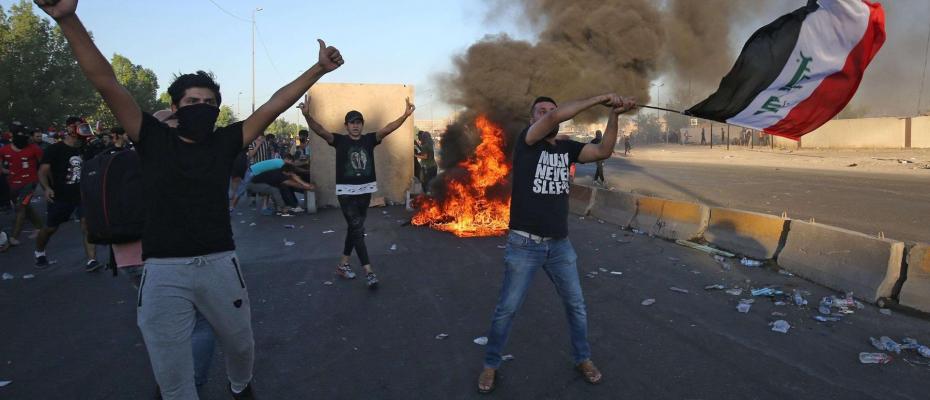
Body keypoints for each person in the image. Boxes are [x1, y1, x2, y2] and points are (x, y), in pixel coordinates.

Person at [34, 1, 344, 398]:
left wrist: (318, 69)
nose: (202, 108)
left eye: (209, 102)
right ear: (175, 107)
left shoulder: (224, 141)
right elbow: (106, 81)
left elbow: (274, 104)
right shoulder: (150, 137)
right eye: (192, 102)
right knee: (170, 367)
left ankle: (238, 386)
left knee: (242, 347)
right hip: (163, 270)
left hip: (219, 263)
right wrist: (67, 18)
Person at [476, 94, 635, 394]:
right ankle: (491, 363)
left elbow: (603, 150)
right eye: (542, 111)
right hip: (524, 245)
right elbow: (554, 120)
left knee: (576, 306)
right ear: (533, 119)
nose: (549, 114)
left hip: (560, 246)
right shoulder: (527, 142)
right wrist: (601, 96)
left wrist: (614, 115)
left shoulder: (566, 148)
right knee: (507, 309)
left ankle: (583, 358)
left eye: (552, 110)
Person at [300, 94, 415, 288]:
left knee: (355, 229)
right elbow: (319, 130)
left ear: (362, 125)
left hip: (365, 190)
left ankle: (343, 265)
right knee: (357, 230)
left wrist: (404, 115)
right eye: (352, 123)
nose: (355, 126)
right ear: (346, 126)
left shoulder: (370, 139)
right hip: (346, 192)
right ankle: (369, 271)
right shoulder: (339, 141)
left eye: (358, 122)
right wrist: (307, 116)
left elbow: (388, 128)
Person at [34, 116, 99, 271]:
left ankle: (92, 260)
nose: (83, 129)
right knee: (50, 228)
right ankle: (39, 251)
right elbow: (42, 172)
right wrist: (47, 188)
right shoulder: (55, 149)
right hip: (61, 196)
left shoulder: (85, 148)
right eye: (79, 126)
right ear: (70, 128)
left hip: (82, 194)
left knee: (87, 225)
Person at [0, 122, 45, 246]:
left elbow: (44, 166)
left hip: (30, 183)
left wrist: (46, 185)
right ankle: (40, 227)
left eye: (25, 135)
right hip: (13, 184)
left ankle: (14, 237)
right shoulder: (4, 150)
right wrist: (10, 171)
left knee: (21, 207)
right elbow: (1, 169)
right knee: (24, 206)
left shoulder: (35, 149)